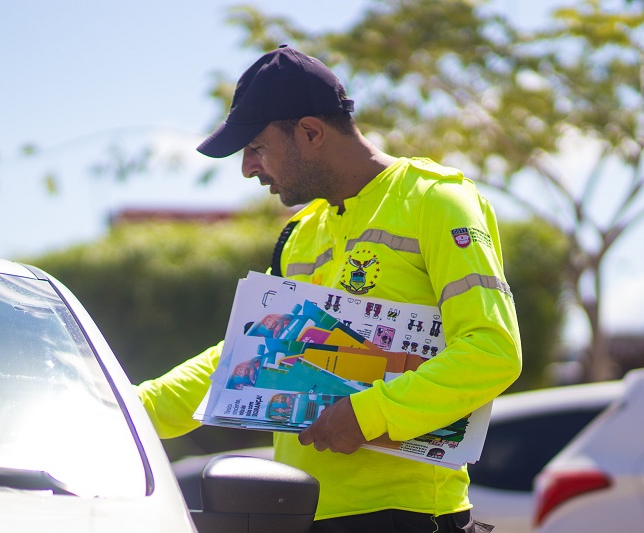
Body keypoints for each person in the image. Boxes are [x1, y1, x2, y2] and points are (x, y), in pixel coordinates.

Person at [136, 44, 521, 532]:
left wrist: (368, 413)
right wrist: (135, 409)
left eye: (255, 147)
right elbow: (244, 356)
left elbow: (492, 350)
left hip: (409, 517)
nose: (248, 168)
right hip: (298, 514)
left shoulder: (437, 201)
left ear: (311, 132)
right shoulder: (300, 232)